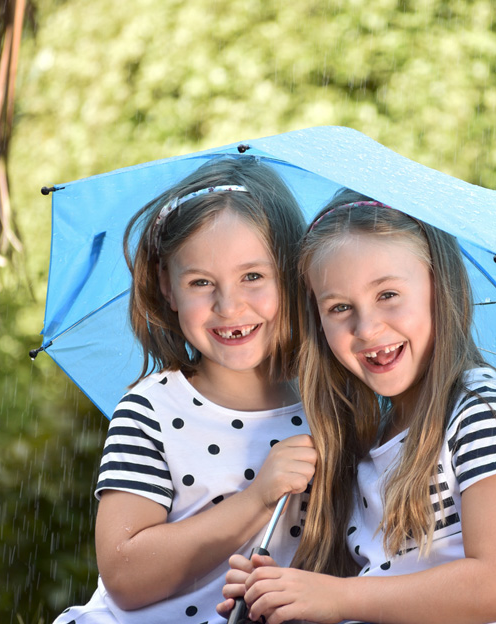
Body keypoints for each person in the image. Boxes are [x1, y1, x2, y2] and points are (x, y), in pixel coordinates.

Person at [219, 190, 496, 624]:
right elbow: (377, 586)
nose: (367, 327)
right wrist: (281, 596)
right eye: (339, 307)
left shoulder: (483, 413)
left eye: (388, 295)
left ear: (440, 287)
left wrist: (337, 596)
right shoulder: (374, 436)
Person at [53, 156, 317, 624]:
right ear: (168, 289)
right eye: (201, 282)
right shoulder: (150, 410)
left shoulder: (334, 413)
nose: (228, 305)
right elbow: (126, 577)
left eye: (253, 276)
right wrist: (256, 499)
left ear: (294, 276)